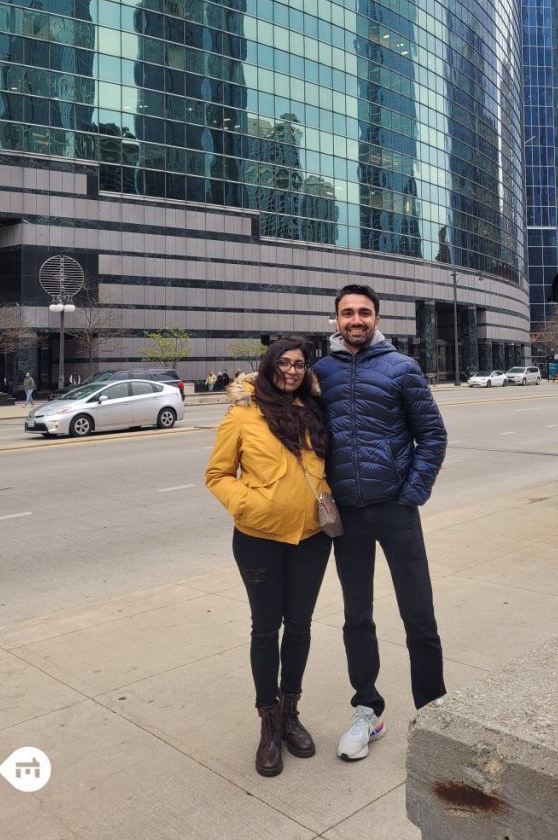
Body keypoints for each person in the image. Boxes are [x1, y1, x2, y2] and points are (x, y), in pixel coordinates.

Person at [314, 284, 447, 761]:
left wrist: (411, 494)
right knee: (357, 616)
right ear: (335, 320)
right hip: (347, 514)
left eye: (363, 312)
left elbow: (432, 436)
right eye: (347, 312)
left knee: (420, 616)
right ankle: (367, 710)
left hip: (395, 509)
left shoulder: (402, 368)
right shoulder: (319, 373)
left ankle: (434, 713)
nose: (355, 319)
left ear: (376, 318)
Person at [205, 337, 332, 778]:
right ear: (268, 365)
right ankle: (269, 722)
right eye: (284, 363)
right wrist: (247, 505)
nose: (292, 371)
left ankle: (292, 711)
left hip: (312, 538)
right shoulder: (243, 414)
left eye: (299, 364)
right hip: (258, 537)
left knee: (299, 627)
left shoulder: (315, 409)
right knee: (265, 629)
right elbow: (217, 474)